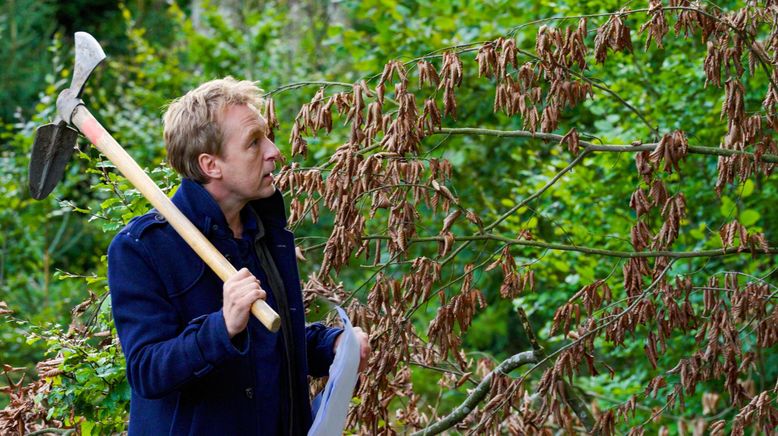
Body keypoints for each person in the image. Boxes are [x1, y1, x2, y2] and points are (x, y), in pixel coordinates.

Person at [108, 77, 370, 435]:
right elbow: (147, 371)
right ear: (211, 165)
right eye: (253, 142)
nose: (274, 151)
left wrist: (332, 345)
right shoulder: (143, 248)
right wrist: (223, 327)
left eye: (266, 136)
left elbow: (274, 340)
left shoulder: (265, 234)